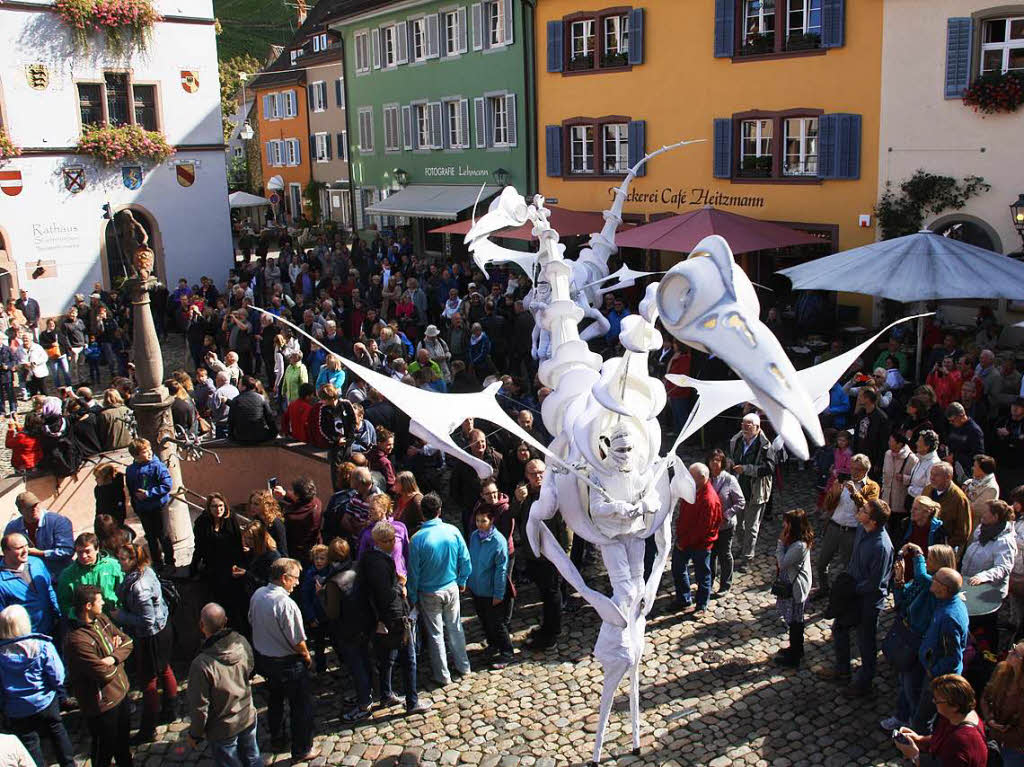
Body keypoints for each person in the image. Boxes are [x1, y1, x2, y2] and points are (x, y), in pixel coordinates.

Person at [880, 543, 958, 732]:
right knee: (904, 682)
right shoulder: (923, 584)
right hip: (906, 635)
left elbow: (922, 576)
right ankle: (901, 716)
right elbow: (902, 600)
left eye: (930, 558)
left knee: (912, 687)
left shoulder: (935, 589)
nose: (926, 561)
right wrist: (898, 581)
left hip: (918, 644)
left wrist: (918, 555)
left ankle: (914, 729)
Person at [357, 521, 429, 719]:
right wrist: (400, 588)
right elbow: (384, 595)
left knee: (388, 657)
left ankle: (387, 693)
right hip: (394, 618)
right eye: (388, 541)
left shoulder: (369, 559)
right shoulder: (379, 563)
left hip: (385, 618)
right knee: (409, 659)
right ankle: (412, 702)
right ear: (378, 541)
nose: (392, 544)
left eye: (393, 540)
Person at [824, 498, 894, 698]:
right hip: (853, 592)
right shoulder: (863, 529)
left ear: (872, 520)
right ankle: (842, 670)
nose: (859, 510)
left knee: (866, 642)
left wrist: (851, 589)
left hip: (868, 600)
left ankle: (864, 683)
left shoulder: (881, 546)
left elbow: (875, 583)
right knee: (840, 628)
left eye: (863, 510)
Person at [249, 558, 316, 760]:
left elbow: (251, 620)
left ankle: (277, 738)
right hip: (287, 662)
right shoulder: (285, 604)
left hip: (266, 660)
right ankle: (302, 749)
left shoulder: (258, 594)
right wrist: (306, 656)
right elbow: (297, 640)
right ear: (284, 578)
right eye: (295, 578)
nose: (297, 582)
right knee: (300, 706)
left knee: (275, 700)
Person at [113, 543, 178, 743]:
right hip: (162, 628)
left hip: (151, 635)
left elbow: (147, 620)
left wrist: (120, 616)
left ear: (134, 561)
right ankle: (170, 709)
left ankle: (148, 728)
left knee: (148, 680)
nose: (120, 562)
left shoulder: (139, 586)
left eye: (124, 559)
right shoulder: (146, 572)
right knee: (164, 668)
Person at [64, 584, 134, 767]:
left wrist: (113, 657)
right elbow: (103, 673)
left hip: (121, 693)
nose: (103, 602)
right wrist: (116, 655)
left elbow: (127, 642)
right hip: (102, 705)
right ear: (88, 605)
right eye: (99, 600)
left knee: (123, 747)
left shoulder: (101, 619)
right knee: (103, 752)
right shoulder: (77, 640)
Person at [407, 492, 472, 686]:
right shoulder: (452, 531)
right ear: (440, 510)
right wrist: (462, 579)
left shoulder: (417, 539)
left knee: (436, 634)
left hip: (428, 592)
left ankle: (442, 675)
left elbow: (414, 572)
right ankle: (464, 666)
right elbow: (465, 559)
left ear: (422, 513)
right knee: (455, 628)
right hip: (451, 587)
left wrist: (412, 595)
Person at [186, 603, 262, 767]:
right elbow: (250, 667)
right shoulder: (241, 642)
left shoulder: (201, 665)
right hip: (246, 714)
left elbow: (200, 706)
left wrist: (195, 734)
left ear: (201, 626)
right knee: (253, 758)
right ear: (226, 620)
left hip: (223, 727)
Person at [0, 605, 75, 767]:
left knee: (30, 745)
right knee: (58, 733)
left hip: (17, 709)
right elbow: (58, 675)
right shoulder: (41, 646)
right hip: (45, 702)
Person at [814, 454, 879, 600]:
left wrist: (855, 493)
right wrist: (834, 493)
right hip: (834, 526)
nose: (854, 472)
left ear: (865, 471)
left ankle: (847, 596)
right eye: (852, 468)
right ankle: (824, 589)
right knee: (821, 563)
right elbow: (827, 505)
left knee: (849, 567)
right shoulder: (841, 481)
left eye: (858, 469)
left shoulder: (871, 486)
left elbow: (869, 509)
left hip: (852, 531)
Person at [894, 674, 988, 767]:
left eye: (937, 700)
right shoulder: (953, 715)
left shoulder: (961, 740)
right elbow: (942, 738)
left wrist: (914, 755)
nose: (933, 702)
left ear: (955, 706)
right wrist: (920, 739)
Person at [961, 499, 1018, 650]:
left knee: (986, 628)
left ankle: (987, 656)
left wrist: (984, 576)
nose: (982, 514)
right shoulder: (983, 529)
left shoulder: (1005, 541)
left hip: (987, 594)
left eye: (986, 512)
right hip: (971, 586)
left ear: (995, 517)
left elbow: (1004, 567)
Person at [190, 493, 248, 633]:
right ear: (209, 508)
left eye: (221, 506)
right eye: (214, 506)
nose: (218, 509)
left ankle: (238, 628)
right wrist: (193, 568)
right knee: (219, 599)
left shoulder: (231, 518)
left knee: (235, 601)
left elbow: (237, 543)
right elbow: (199, 547)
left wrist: (241, 565)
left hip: (230, 566)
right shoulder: (201, 523)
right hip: (213, 567)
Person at [672, 463, 722, 617]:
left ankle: (701, 605)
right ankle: (684, 599)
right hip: (684, 540)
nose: (688, 479)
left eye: (691, 476)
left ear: (702, 478)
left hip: (700, 545)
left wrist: (683, 543)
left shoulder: (709, 499)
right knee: (678, 569)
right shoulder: (693, 489)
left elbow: (703, 529)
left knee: (703, 575)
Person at [728, 413, 776, 570]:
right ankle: (742, 548)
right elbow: (732, 457)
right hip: (738, 490)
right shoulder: (737, 440)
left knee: (751, 526)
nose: (745, 429)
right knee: (738, 524)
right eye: (743, 426)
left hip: (756, 491)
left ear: (757, 428)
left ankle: (747, 558)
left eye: (748, 427)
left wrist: (747, 469)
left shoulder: (766, 447)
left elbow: (769, 468)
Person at [468, 507, 514, 668]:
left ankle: (506, 652)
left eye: (484, 521)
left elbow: (501, 570)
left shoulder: (498, 541)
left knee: (497, 623)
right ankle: (492, 644)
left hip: (491, 590)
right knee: (485, 621)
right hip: (476, 588)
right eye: (478, 521)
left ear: (492, 521)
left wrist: (498, 593)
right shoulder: (474, 537)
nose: (480, 524)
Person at [125, 438, 174, 570]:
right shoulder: (130, 470)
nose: (149, 453)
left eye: (149, 450)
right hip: (143, 509)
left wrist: (149, 493)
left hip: (158, 506)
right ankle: (157, 562)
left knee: (163, 535)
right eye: (145, 452)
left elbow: (167, 485)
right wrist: (136, 505)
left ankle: (170, 562)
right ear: (136, 455)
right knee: (151, 537)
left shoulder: (157, 466)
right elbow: (131, 489)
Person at [773, 509, 813, 669]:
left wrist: (780, 544)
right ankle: (796, 649)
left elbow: (783, 562)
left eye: (786, 522)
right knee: (795, 622)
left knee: (796, 622)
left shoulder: (798, 545)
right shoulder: (797, 540)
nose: (783, 525)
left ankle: (795, 656)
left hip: (796, 588)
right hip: (793, 584)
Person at [4, 492, 73, 579]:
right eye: (29, 507)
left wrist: (41, 553)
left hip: (62, 577)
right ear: (21, 511)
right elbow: (7, 553)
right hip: (31, 579)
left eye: (35, 505)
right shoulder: (13, 528)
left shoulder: (58, 521)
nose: (34, 509)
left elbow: (67, 551)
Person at [0, 534, 59, 636]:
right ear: (5, 551)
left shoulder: (37, 563)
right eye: (19, 548)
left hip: (53, 629)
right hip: (26, 639)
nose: (25, 551)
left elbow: (49, 589)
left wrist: (58, 613)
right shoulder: (2, 582)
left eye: (26, 546)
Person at [56, 532, 123, 617]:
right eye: (80, 552)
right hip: (84, 623)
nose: (84, 556)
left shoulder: (113, 566)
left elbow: (125, 594)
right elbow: (64, 604)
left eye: (88, 551)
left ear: (97, 549)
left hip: (113, 618)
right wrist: (78, 616)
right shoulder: (67, 575)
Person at [981, 640, 1024, 766]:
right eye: (1013, 647)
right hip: (995, 737)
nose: (1010, 651)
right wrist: (990, 719)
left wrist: (991, 732)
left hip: (1016, 747)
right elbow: (985, 697)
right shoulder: (1001, 669)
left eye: (1015, 653)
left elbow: (1020, 735)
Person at [708, 449, 744, 598]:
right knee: (710, 555)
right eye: (711, 460)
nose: (714, 463)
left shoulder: (729, 480)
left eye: (717, 460)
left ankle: (725, 584)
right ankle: (708, 582)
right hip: (710, 525)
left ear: (722, 463)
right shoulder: (706, 478)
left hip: (725, 526)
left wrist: (727, 515)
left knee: (724, 554)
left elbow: (740, 501)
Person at [923, 462, 973, 555]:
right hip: (924, 543)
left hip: (942, 551)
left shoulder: (959, 498)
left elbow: (963, 531)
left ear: (948, 477)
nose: (932, 478)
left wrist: (947, 545)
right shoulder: (927, 490)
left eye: (936, 475)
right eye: (931, 474)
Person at [273, 477, 322, 566]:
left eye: (292, 491)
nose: (291, 492)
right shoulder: (317, 502)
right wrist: (285, 495)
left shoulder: (294, 517)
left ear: (298, 496)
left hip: (298, 553)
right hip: (311, 548)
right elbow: (300, 502)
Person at [882, 432, 918, 537]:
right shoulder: (887, 454)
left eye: (891, 441)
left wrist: (904, 478)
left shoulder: (912, 459)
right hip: (886, 498)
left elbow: (915, 479)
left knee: (897, 530)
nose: (888, 443)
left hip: (900, 500)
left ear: (899, 444)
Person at [852, 388, 889, 482]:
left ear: (867, 399)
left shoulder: (881, 418)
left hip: (872, 457)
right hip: (860, 454)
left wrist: (879, 463)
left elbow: (883, 442)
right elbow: (857, 434)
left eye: (861, 396)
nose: (859, 399)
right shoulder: (862, 413)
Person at [227, 375, 278, 443]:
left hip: (241, 437)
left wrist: (231, 437)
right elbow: (270, 418)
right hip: (260, 436)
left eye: (239, 383)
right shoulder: (261, 398)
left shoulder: (236, 400)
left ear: (244, 387)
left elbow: (231, 421)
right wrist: (273, 434)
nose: (238, 385)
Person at [946, 402, 986, 481]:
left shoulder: (974, 431)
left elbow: (978, 455)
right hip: (953, 467)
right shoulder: (955, 426)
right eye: (950, 421)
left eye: (953, 420)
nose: (951, 423)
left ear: (961, 416)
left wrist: (955, 457)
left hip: (966, 472)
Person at [964, 455, 1000, 522]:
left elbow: (976, 510)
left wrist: (961, 495)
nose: (972, 468)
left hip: (975, 525)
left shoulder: (991, 489)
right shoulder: (978, 479)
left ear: (982, 470)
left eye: (975, 466)